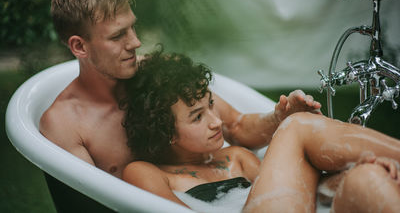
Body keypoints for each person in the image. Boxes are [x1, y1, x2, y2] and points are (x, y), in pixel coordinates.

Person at [39, 0, 321, 178]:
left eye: (132, 28)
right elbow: (92, 199)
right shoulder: (65, 124)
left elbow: (233, 127)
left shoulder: (159, 75)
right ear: (79, 46)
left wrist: (280, 116)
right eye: (118, 36)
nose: (135, 43)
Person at [121, 50, 400, 213]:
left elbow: (299, 191)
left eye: (211, 106)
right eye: (197, 117)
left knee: (366, 178)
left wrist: (347, 174)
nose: (216, 121)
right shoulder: (146, 172)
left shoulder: (236, 158)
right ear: (164, 131)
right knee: (296, 126)